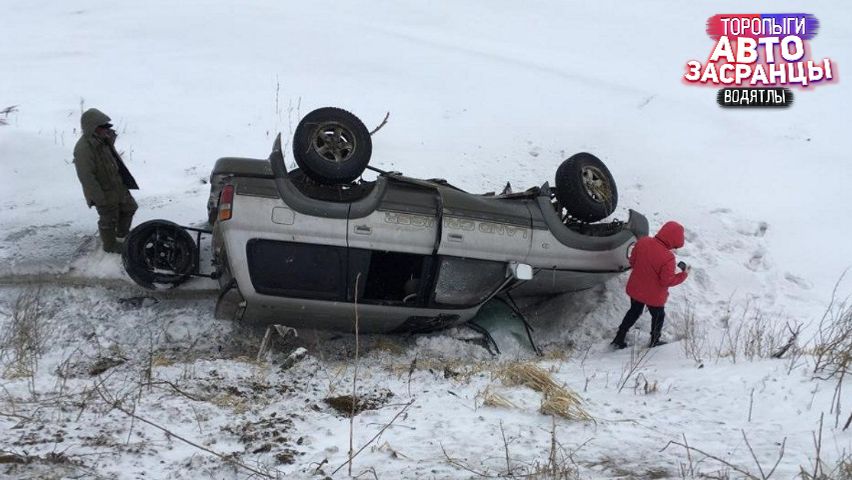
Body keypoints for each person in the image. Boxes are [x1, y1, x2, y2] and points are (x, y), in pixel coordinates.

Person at [611, 221, 690, 349]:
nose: (674, 248)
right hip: (653, 296)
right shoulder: (668, 258)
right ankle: (655, 340)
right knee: (658, 316)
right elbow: (667, 281)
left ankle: (619, 337)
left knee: (634, 311)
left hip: (636, 289)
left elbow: (633, 261)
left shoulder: (643, 242)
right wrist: (683, 275)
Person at [73, 108, 139, 253]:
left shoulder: (102, 141)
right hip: (103, 191)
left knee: (130, 208)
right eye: (103, 127)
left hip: (117, 186)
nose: (107, 129)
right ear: (93, 128)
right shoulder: (84, 149)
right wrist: (98, 197)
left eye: (107, 126)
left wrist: (111, 138)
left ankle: (121, 234)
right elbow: (86, 177)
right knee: (108, 219)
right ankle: (110, 246)